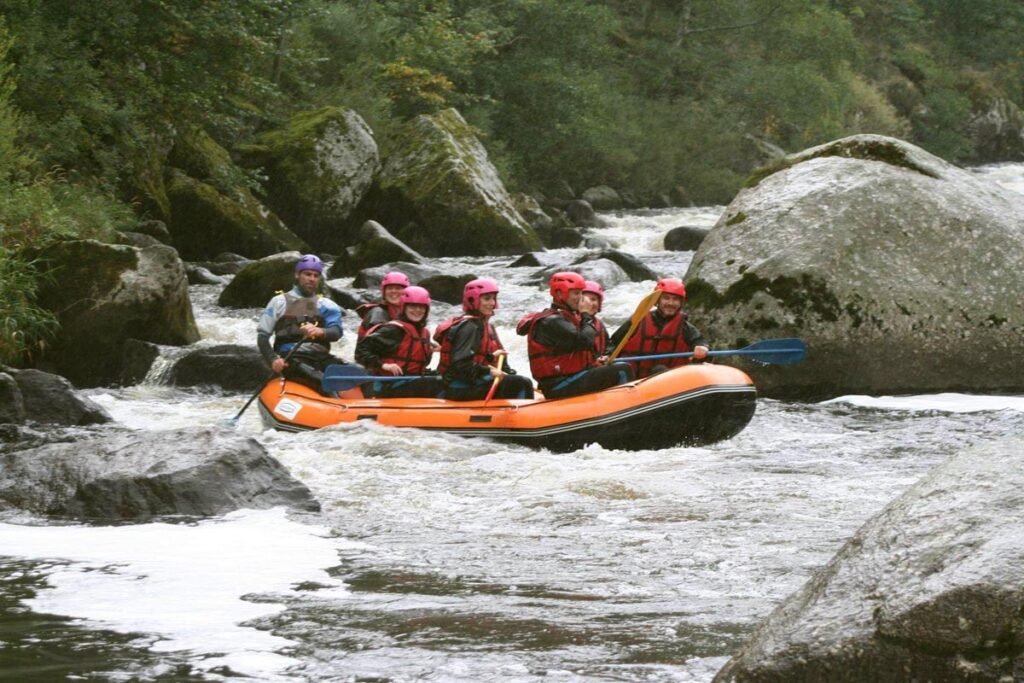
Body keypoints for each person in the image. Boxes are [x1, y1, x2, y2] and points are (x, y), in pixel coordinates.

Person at [516, 272, 634, 400]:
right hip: (559, 385)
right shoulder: (551, 321)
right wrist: (586, 315)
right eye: (575, 293)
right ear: (560, 294)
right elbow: (585, 341)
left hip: (574, 377)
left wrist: (596, 361)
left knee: (617, 365)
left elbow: (579, 351)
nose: (580, 298)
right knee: (623, 369)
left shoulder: (568, 317)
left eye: (581, 293)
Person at [257, 254, 355, 393]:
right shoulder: (279, 302)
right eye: (307, 274)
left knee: (359, 375)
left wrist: (321, 331)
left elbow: (336, 332)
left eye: (316, 275)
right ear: (297, 275)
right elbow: (262, 337)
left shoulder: (327, 305)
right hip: (291, 359)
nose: (311, 279)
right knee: (324, 381)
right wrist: (273, 360)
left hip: (320, 358)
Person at [434, 278, 534, 401]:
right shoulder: (469, 326)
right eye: (487, 299)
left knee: (514, 379)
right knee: (522, 383)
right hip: (458, 388)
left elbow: (472, 358)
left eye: (493, 298)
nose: (492, 303)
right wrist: (489, 371)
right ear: (472, 300)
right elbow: (460, 365)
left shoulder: (477, 324)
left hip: (467, 383)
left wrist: (490, 357)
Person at [354, 285, 444, 398]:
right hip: (390, 385)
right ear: (403, 307)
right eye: (412, 306)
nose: (417, 310)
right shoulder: (393, 329)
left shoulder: (424, 332)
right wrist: (383, 365)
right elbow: (360, 351)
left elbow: (415, 360)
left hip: (410, 381)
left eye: (422, 307)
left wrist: (430, 351)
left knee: (443, 377)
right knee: (437, 383)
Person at [609, 277, 709, 379]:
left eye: (675, 299)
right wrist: (607, 356)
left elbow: (700, 342)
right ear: (657, 301)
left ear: (681, 303)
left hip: (668, 382)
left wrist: (702, 348)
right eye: (666, 298)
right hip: (633, 382)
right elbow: (613, 343)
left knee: (659, 370)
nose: (670, 303)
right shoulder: (637, 321)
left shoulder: (685, 327)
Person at [355, 271, 410, 337]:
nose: (393, 291)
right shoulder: (377, 313)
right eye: (390, 288)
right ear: (384, 292)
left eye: (398, 288)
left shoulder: (408, 311)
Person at [580, 280, 610, 362]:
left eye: (593, 299)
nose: (589, 303)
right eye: (585, 300)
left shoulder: (600, 325)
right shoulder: (570, 322)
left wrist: (606, 356)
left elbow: (607, 347)